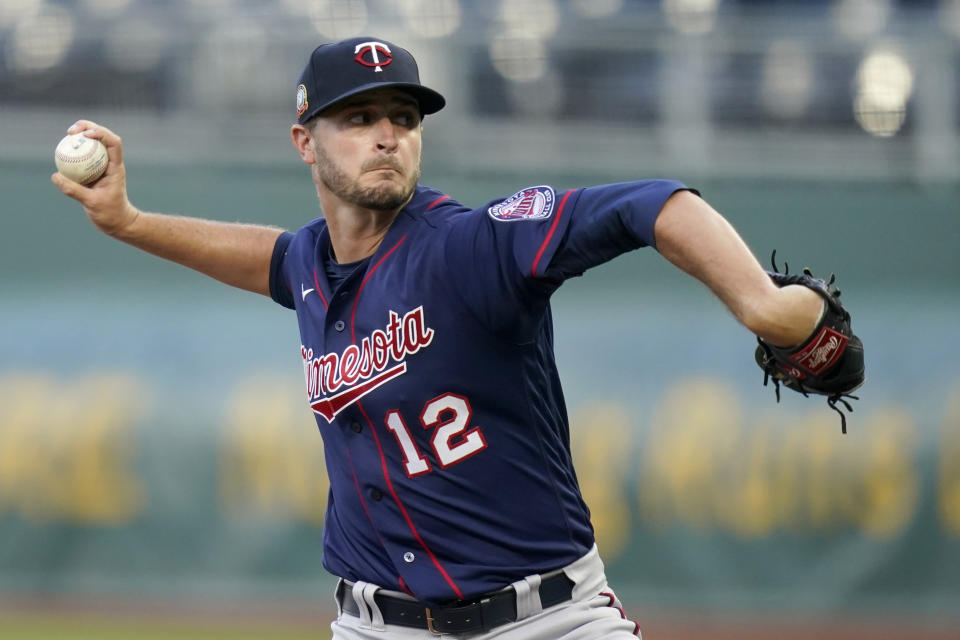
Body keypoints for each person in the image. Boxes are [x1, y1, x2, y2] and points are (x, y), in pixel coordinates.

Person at [52, 37, 827, 639]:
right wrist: (129, 222)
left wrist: (760, 303)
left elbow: (651, 205)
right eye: (358, 119)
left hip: (545, 618)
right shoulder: (312, 265)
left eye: (404, 118)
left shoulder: (470, 247)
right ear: (305, 142)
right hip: (372, 620)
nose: (387, 136)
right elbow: (270, 257)